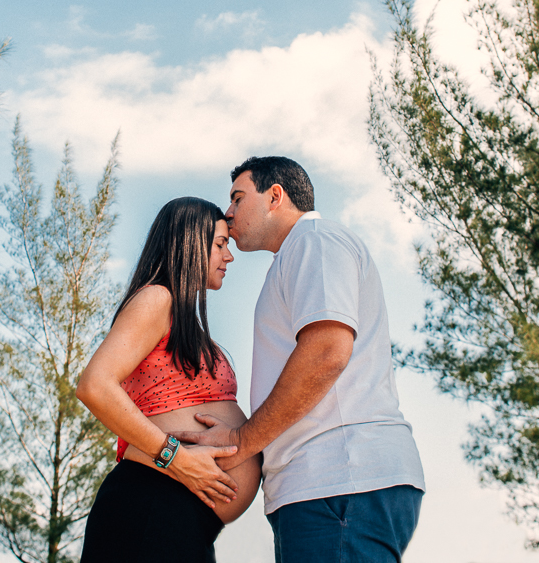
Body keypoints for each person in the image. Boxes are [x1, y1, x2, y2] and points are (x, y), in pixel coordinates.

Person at [176, 156, 425, 563]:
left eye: (238, 198)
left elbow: (327, 353)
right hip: (326, 488)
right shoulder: (300, 253)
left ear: (275, 196)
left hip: (339, 481)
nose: (228, 212)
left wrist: (240, 441)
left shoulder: (315, 241)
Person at [76, 197, 262, 563]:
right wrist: (175, 458)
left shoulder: (180, 317)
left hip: (180, 518)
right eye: (220, 244)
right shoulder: (157, 298)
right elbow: (94, 386)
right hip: (149, 509)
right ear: (190, 244)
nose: (229, 256)